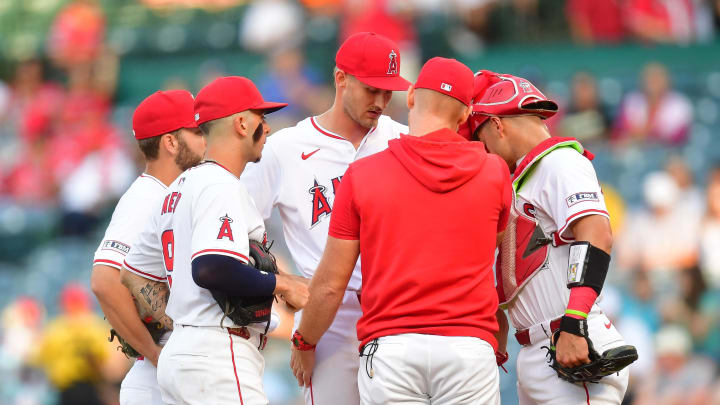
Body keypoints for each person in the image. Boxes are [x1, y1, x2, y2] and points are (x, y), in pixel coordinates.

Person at [290, 57, 510, 404]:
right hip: (467, 346)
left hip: (392, 350)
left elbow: (331, 285)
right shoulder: (494, 172)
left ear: (410, 97)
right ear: (467, 114)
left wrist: (305, 340)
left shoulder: (363, 175)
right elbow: (493, 257)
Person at [240, 31, 411, 405]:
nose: (381, 101)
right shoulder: (286, 148)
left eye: (389, 91)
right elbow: (239, 224)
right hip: (328, 321)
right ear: (341, 78)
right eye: (372, 89)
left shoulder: (406, 141)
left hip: (400, 312)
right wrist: (281, 280)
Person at [470, 72, 632, 404]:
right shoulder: (527, 176)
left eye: (480, 135)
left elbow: (597, 235)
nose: (481, 147)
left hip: (569, 341)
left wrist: (574, 324)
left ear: (497, 125)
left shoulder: (559, 160)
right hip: (538, 348)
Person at [154, 76, 309, 404]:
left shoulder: (179, 189)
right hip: (216, 356)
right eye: (261, 119)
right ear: (241, 123)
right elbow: (212, 269)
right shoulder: (219, 185)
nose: (266, 129)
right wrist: (284, 284)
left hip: (181, 351)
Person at [90, 90, 205, 405]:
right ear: (170, 143)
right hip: (160, 380)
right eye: (197, 132)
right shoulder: (146, 198)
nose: (205, 139)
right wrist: (155, 353)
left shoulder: (177, 194)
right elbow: (104, 281)